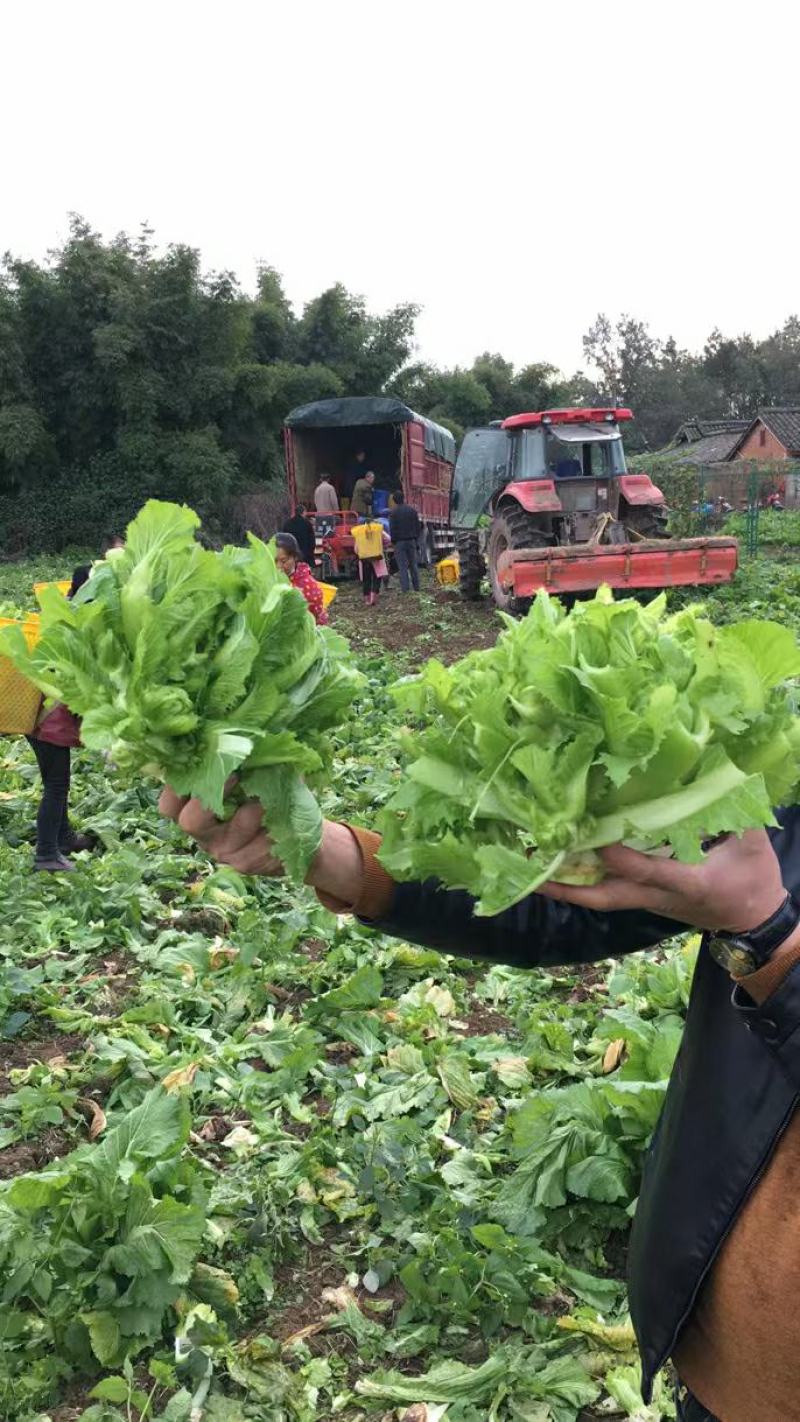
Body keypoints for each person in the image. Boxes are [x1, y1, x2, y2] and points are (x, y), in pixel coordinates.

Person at [159, 790, 800, 1422]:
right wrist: (330, 852)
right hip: (722, 1345)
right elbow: (595, 899)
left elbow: (756, 909)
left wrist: (770, 940)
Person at [26, 566, 93, 873]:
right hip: (49, 721)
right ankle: (46, 854)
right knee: (56, 785)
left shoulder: (65, 615)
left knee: (56, 781)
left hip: (39, 717)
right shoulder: (77, 626)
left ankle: (63, 837)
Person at [274, 533, 328, 624]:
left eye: (284, 561)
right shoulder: (266, 581)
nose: (278, 566)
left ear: (295, 557)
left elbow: (313, 618)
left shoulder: (307, 586)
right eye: (274, 561)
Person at [351, 518, 389, 606]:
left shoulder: (358, 532)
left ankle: (366, 599)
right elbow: (388, 539)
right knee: (377, 577)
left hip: (364, 559)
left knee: (366, 579)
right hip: (377, 557)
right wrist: (382, 544)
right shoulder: (378, 529)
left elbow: (356, 550)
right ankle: (374, 597)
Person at [388, 492, 421, 593]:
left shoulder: (393, 513)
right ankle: (417, 587)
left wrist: (393, 542)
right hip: (411, 541)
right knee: (413, 565)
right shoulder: (412, 511)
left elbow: (392, 529)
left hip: (399, 542)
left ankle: (405, 589)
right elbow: (417, 526)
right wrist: (416, 539)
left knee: (402, 567)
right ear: (404, 498)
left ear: (394, 501)